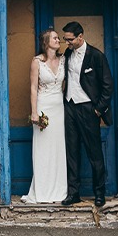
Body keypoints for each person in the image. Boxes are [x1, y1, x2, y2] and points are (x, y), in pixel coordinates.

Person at [60, 22, 113, 208]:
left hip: (88, 109)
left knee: (94, 152)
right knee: (72, 152)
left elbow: (108, 85)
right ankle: (73, 193)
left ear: (80, 36)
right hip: (70, 107)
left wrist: (98, 109)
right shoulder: (67, 54)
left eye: (70, 39)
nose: (67, 43)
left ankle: (100, 193)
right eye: (65, 39)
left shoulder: (96, 56)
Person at [26, 30, 68, 203]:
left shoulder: (64, 60)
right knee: (43, 149)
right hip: (44, 108)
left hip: (60, 108)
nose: (59, 40)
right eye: (55, 38)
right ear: (45, 42)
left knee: (58, 149)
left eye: (58, 37)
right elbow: (33, 88)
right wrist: (34, 112)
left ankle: (59, 190)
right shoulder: (37, 62)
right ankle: (42, 190)